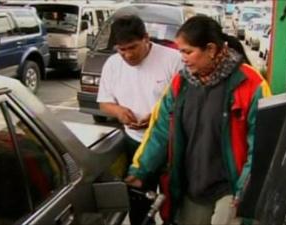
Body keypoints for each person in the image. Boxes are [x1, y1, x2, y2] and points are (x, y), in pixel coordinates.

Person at [125, 15, 272, 225]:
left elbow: (260, 145)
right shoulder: (180, 83)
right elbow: (160, 130)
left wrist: (246, 190)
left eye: (187, 51)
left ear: (211, 49)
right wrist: (141, 169)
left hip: (231, 188)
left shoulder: (251, 84)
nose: (182, 58)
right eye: (180, 52)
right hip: (192, 187)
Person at [96, 15, 182, 225]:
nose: (127, 55)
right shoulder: (113, 64)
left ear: (146, 38)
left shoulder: (173, 59)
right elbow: (104, 102)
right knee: (139, 204)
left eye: (132, 47)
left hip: (171, 144)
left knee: (176, 204)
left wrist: (155, 118)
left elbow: (186, 104)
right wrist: (118, 111)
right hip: (135, 143)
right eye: (121, 49)